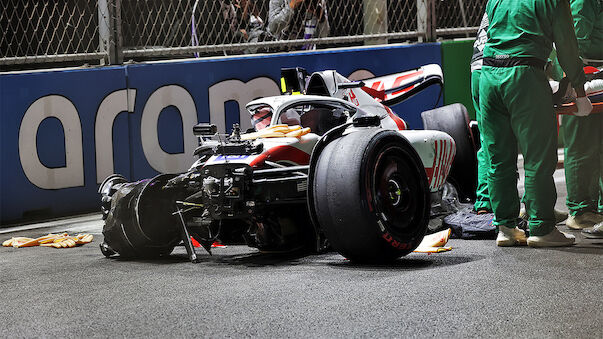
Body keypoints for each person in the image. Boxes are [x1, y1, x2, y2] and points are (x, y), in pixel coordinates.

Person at [479, 0, 592, 247]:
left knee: (498, 157)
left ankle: (506, 227)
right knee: (538, 157)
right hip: (523, 77)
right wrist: (580, 91)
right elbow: (567, 45)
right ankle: (541, 227)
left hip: (488, 75)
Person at [559, 0, 603, 233]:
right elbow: (573, 45)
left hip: (595, 74)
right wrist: (576, 88)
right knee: (580, 146)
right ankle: (581, 209)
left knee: (596, 146)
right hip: (584, 76)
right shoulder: (585, 1)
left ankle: (592, 207)